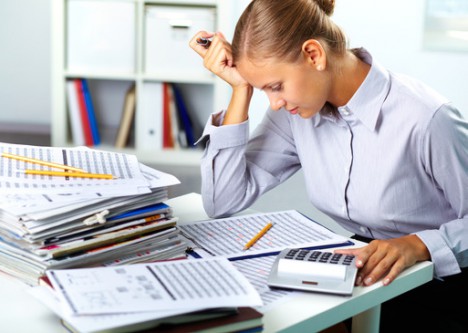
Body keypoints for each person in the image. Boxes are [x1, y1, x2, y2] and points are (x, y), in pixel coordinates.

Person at [189, 0, 468, 332]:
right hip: (366, 273)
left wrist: (418, 244)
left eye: (275, 86)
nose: (274, 102)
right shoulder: (295, 113)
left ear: (313, 55)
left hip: (444, 285)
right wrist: (241, 89)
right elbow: (221, 201)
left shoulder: (426, 118)